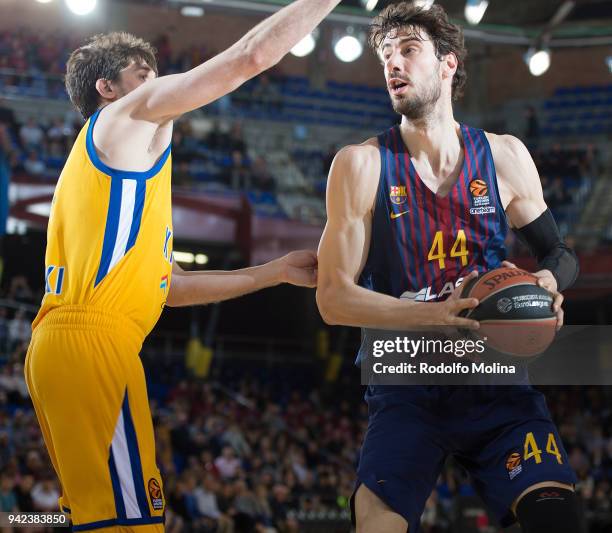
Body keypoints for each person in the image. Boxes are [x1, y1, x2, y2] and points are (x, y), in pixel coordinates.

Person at [24, 1, 341, 531]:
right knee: (129, 523)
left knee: (100, 518)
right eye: (143, 73)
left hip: (67, 344)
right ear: (108, 89)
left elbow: (170, 287)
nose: (160, 82)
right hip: (92, 342)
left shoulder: (114, 174)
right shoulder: (124, 117)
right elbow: (251, 56)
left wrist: (275, 272)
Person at [316, 3, 582, 533]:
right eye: (385, 54)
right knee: (377, 523)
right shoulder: (361, 164)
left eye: (408, 50)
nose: (393, 63)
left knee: (558, 515)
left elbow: (561, 255)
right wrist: (440, 316)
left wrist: (546, 285)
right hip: (407, 382)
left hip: (494, 378)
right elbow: (333, 299)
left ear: (448, 63)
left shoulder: (503, 155)